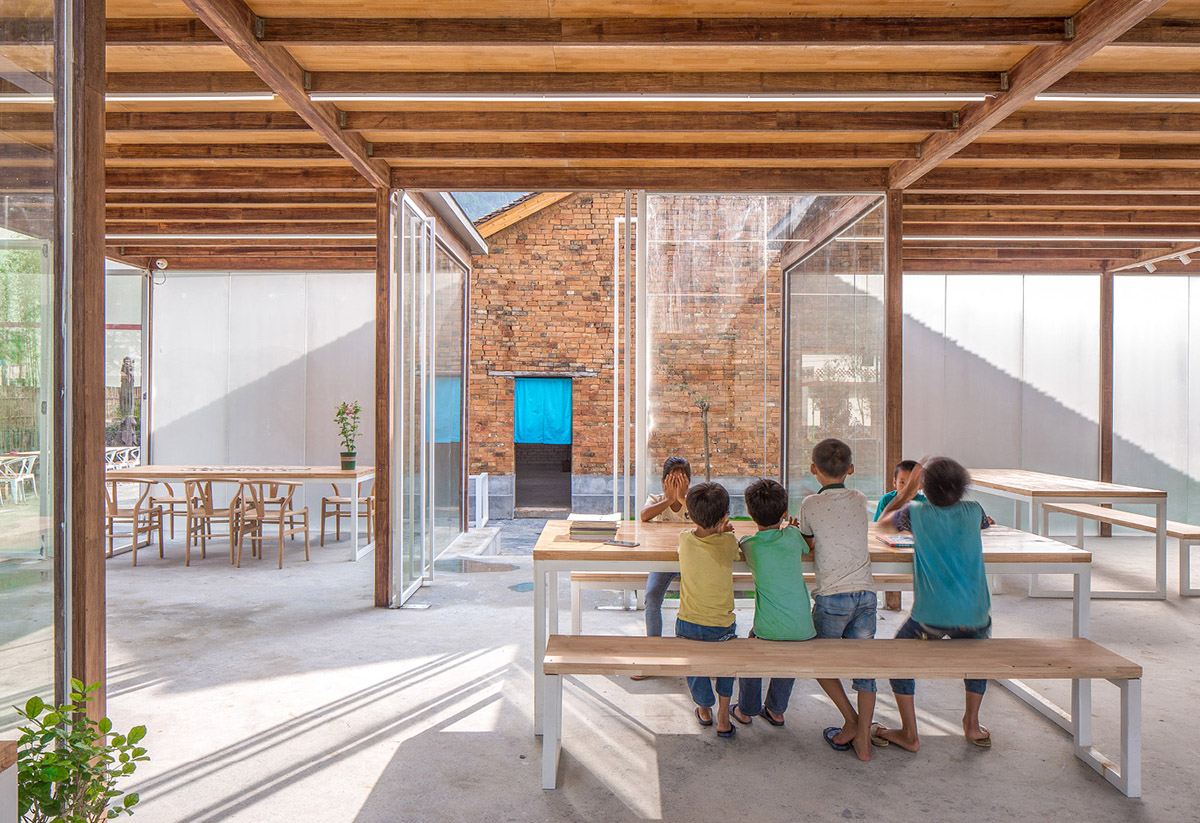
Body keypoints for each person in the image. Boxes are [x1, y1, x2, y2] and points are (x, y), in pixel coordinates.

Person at [875, 457, 994, 752]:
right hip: (977, 616)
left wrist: (905, 492)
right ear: (963, 487)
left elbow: (883, 525)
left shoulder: (916, 512)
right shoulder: (974, 510)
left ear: (923, 488)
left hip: (930, 618)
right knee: (976, 660)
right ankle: (972, 724)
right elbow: (986, 525)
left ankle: (909, 733)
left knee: (898, 659)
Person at [798, 438, 879, 761]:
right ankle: (863, 739)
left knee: (818, 661)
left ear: (813, 470)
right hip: (867, 595)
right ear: (852, 469)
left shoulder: (809, 505)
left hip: (833, 596)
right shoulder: (860, 500)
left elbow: (808, 545)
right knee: (865, 670)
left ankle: (852, 721)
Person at [730, 479, 815, 730]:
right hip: (803, 627)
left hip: (768, 630)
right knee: (788, 660)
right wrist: (791, 527)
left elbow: (741, 547)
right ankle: (776, 711)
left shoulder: (749, 545)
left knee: (750, 649)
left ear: (749, 512)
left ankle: (746, 710)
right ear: (785, 513)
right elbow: (803, 546)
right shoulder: (792, 536)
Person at [675, 482, 739, 738]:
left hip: (688, 622)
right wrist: (723, 532)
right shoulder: (729, 542)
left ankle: (704, 708)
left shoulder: (684, 540)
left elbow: (692, 538)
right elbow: (729, 549)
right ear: (725, 517)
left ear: (690, 513)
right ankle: (724, 717)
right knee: (726, 666)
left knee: (694, 666)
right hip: (721, 624)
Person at [637, 456, 691, 639]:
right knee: (651, 597)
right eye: (672, 481)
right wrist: (669, 499)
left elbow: (704, 517)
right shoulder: (656, 499)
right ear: (663, 482)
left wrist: (682, 499)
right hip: (663, 561)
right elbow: (644, 515)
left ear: (688, 483)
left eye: (680, 481)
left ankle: (685, 638)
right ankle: (654, 643)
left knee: (694, 598)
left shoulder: (694, 501)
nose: (676, 485)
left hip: (691, 561)